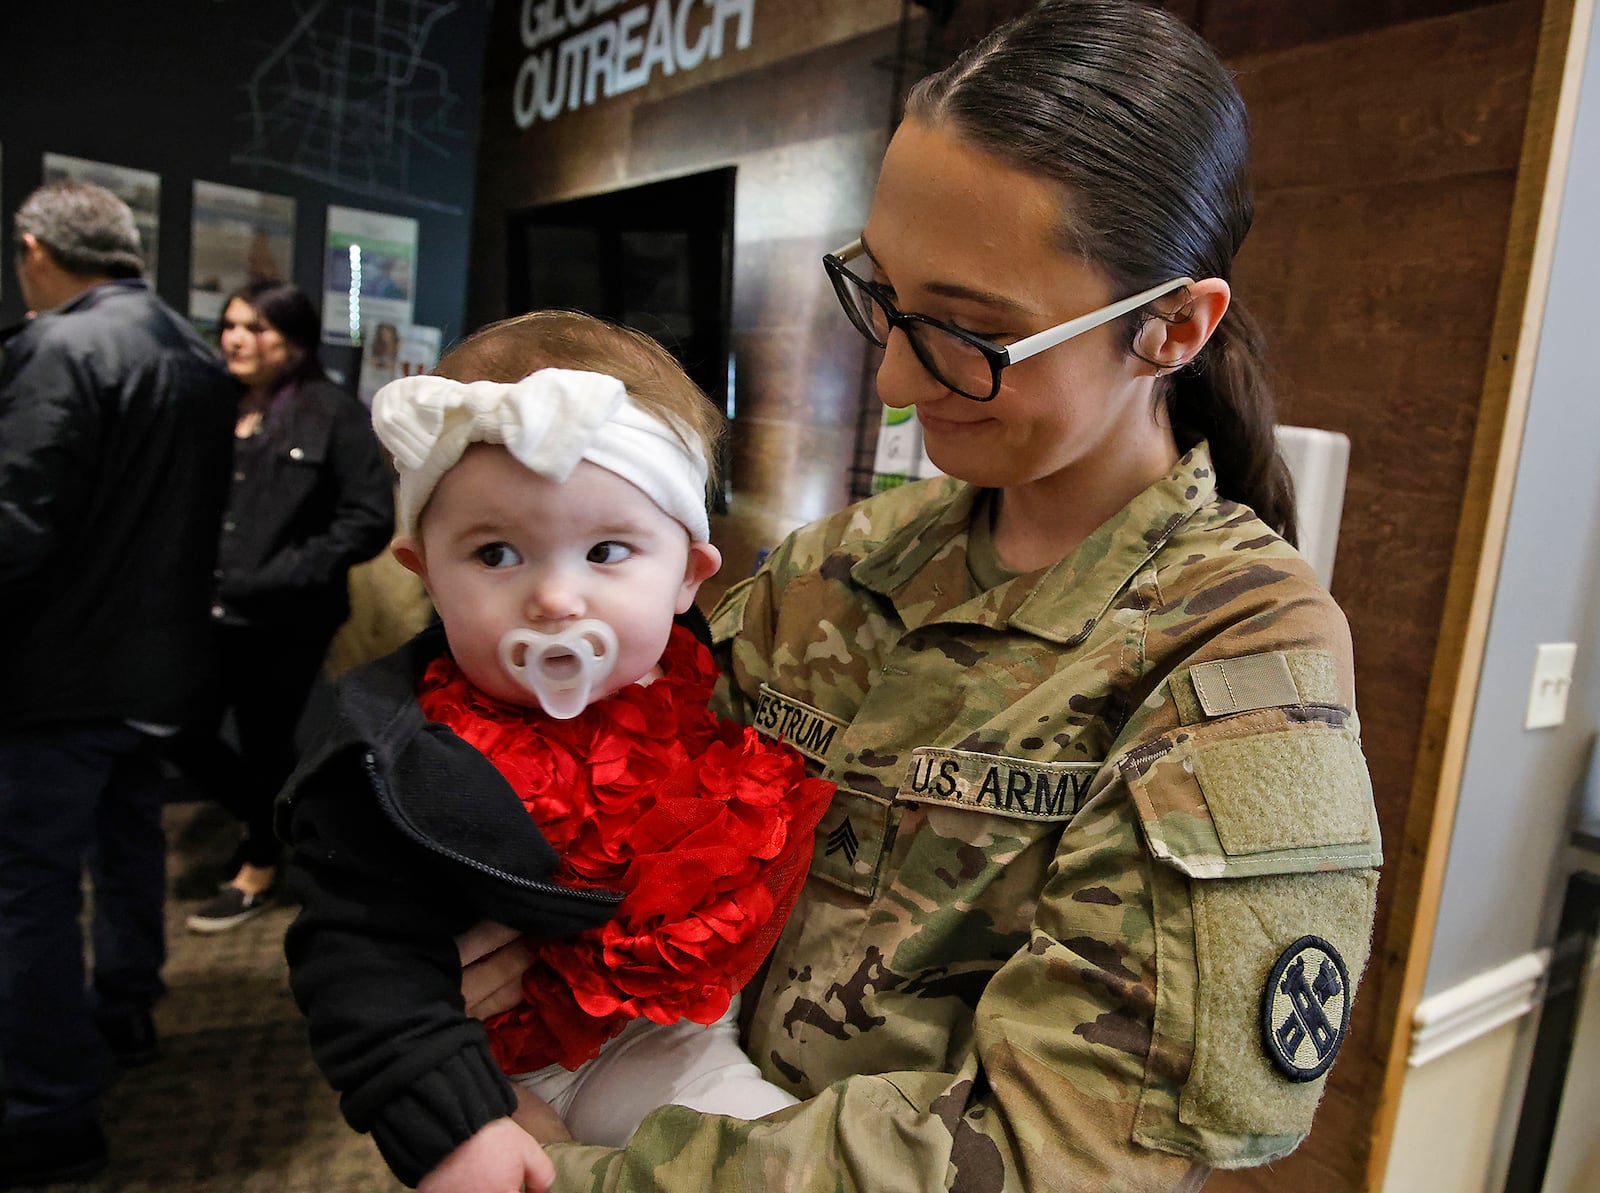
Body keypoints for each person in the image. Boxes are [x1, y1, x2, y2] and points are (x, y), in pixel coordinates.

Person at [461, 3, 1384, 1190]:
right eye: (882, 295)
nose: (894, 378)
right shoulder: (834, 566)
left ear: (1169, 329)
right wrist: (496, 930)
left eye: (968, 334)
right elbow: (625, 808)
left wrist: (571, 1175)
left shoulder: (1235, 652)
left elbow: (1058, 1148)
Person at [278, 310, 835, 1192]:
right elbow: (356, 955)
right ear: (423, 570)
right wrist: (458, 1121)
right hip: (515, 1066)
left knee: (781, 1156)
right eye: (496, 552)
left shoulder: (705, 685)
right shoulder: (393, 762)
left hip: (678, 1032)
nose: (556, 598)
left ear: (691, 573)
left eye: (607, 550)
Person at [0, 180, 234, 1187]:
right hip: (161, 664)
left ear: (35, 248)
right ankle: (126, 1008)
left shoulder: (60, 348)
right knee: (129, 836)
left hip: (57, 671)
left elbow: (15, 522)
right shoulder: (194, 354)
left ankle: (45, 1106)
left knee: (29, 889)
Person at [176, 280, 394, 933]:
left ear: (294, 341)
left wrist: (285, 572)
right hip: (206, 606)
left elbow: (368, 518)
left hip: (287, 615)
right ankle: (281, 822)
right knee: (182, 729)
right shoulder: (214, 402)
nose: (236, 338)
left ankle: (259, 866)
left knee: (267, 737)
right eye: (230, 325)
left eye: (256, 327)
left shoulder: (332, 411)